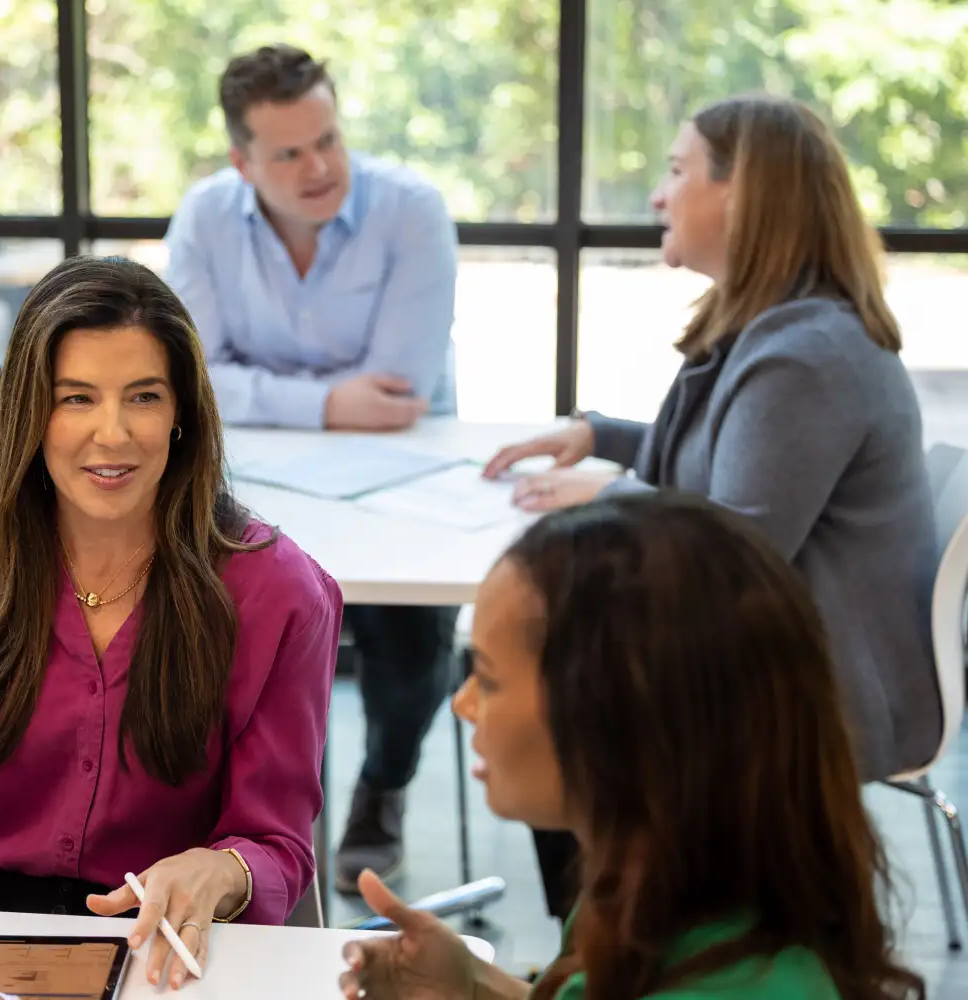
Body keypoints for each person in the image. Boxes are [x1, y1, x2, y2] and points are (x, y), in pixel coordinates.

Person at [484, 93, 941, 921]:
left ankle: (618, 935)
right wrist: (603, 436)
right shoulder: (779, 331)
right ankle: (606, 932)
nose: (659, 195)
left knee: (554, 684)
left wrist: (613, 495)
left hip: (817, 693)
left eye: (675, 171)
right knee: (541, 671)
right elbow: (731, 457)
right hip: (779, 658)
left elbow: (737, 546)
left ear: (743, 193)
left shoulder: (808, 357)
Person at [0, 256, 342, 991]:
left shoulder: (279, 592)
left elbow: (277, 842)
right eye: (77, 398)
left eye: (144, 397)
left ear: (181, 410)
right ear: (31, 409)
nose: (113, 434)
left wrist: (219, 869)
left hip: (178, 943)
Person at [340, 494, 926, 1000]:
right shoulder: (657, 888)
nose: (463, 704)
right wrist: (473, 985)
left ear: (614, 715)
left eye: (488, 679)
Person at [164, 42, 461, 894]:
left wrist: (260, 388)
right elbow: (190, 374)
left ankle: (383, 786)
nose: (320, 166)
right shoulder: (207, 217)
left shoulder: (411, 210)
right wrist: (329, 402)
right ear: (241, 160)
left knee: (412, 663)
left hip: (401, 474)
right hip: (260, 479)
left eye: (328, 139)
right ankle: (254, 816)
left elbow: (398, 383)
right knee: (232, 629)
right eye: (289, 152)